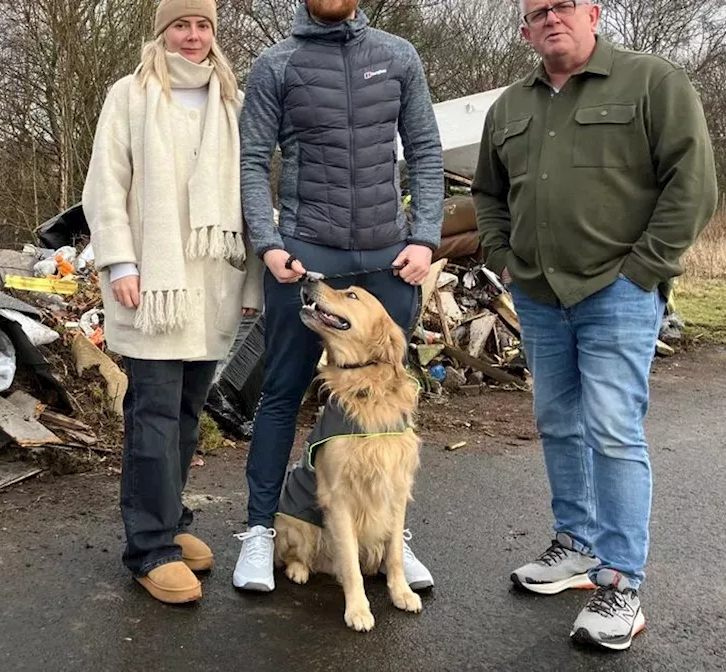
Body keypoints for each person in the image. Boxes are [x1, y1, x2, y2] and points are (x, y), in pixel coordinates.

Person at [471, 0, 718, 651]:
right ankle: (576, 546)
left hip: (619, 292)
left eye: (562, 5)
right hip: (541, 296)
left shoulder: (651, 82)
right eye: (536, 12)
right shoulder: (508, 109)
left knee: (611, 429)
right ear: (525, 29)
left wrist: (644, 272)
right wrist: (504, 259)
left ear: (593, 13)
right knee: (557, 419)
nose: (550, 17)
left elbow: (692, 184)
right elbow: (488, 194)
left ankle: (622, 584)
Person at [233, 0, 445, 593]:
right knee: (280, 394)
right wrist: (268, 242)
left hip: (388, 260)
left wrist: (424, 236)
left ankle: (390, 536)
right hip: (307, 255)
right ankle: (258, 530)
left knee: (394, 401)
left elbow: (426, 152)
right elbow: (252, 160)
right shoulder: (275, 64)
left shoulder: (399, 56)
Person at [82, 0, 263, 605]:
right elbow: (105, 184)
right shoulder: (129, 95)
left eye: (203, 25)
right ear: (162, 31)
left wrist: (253, 283)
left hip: (212, 286)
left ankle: (169, 521)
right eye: (181, 25)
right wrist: (121, 263)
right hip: (153, 286)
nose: (193, 36)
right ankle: (149, 548)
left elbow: (250, 195)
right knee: (152, 417)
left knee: (187, 413)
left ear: (214, 31)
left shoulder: (230, 101)